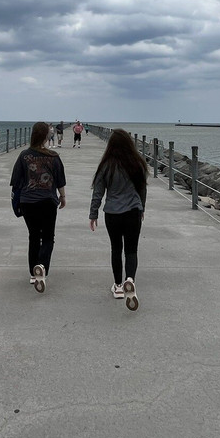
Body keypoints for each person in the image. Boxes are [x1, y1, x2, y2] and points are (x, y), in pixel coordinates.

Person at [88, 128, 147, 311]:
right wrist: (142, 208)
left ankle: (118, 286)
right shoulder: (138, 163)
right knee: (131, 250)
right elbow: (142, 189)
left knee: (116, 248)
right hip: (133, 211)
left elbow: (98, 192)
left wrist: (93, 214)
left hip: (113, 213)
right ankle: (130, 279)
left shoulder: (106, 165)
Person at [10, 122, 66, 293]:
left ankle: (33, 273)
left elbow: (15, 182)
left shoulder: (23, 156)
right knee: (48, 237)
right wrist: (62, 197)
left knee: (34, 236)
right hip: (48, 201)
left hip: (28, 202)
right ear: (45, 136)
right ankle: (42, 267)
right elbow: (60, 180)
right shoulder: (54, 157)